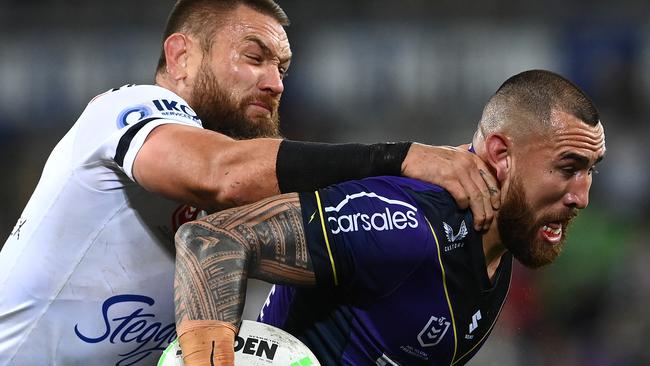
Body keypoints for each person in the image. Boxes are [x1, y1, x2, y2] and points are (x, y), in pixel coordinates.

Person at [0, 1, 501, 365]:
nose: (276, 82)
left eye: (282, 67)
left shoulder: (252, 189)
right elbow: (223, 173)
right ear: (181, 56)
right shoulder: (125, 110)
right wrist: (399, 158)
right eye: (254, 57)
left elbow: (341, 219)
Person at [172, 69, 606, 365]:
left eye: (592, 170)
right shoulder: (406, 224)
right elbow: (212, 241)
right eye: (568, 168)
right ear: (500, 155)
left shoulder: (499, 247)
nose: (582, 196)